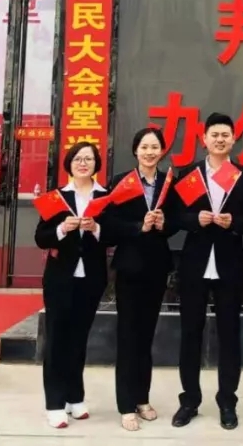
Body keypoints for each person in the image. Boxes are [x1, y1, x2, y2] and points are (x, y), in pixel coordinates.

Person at [168, 112, 243, 431]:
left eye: (225, 135)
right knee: (190, 334)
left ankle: (227, 401)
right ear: (204, 139)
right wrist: (195, 220)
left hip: (229, 263)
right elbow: (176, 215)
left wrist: (234, 223)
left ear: (234, 139)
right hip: (195, 263)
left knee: (229, 335)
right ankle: (189, 401)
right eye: (214, 135)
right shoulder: (189, 174)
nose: (220, 140)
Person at [33, 141, 111, 429]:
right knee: (57, 339)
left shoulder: (106, 196)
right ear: (69, 163)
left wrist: (97, 228)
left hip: (91, 278)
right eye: (78, 158)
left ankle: (74, 397)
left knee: (79, 339)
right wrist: (62, 229)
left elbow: (115, 234)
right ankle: (54, 403)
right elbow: (41, 237)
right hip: (60, 278)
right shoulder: (56, 197)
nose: (83, 163)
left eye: (88, 159)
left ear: (96, 164)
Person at [103, 128, 174, 431]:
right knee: (128, 336)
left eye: (154, 147)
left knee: (146, 336)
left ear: (162, 151)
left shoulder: (169, 183)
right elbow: (108, 224)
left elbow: (177, 221)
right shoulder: (122, 181)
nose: (149, 152)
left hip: (156, 267)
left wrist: (164, 223)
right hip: (129, 268)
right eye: (144, 147)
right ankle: (125, 404)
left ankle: (142, 397)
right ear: (135, 150)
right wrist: (137, 227)